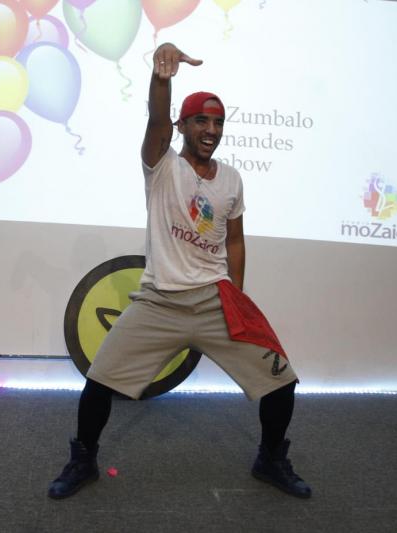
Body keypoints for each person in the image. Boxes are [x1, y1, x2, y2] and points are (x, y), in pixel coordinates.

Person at [48, 43, 311, 499]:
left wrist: (237, 295)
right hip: (160, 301)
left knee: (281, 381)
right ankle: (83, 460)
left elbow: (234, 240)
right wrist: (161, 78)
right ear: (182, 126)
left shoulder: (231, 178)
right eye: (201, 121)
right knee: (99, 381)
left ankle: (270, 459)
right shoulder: (162, 166)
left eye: (218, 123)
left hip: (214, 300)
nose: (211, 131)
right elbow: (155, 119)